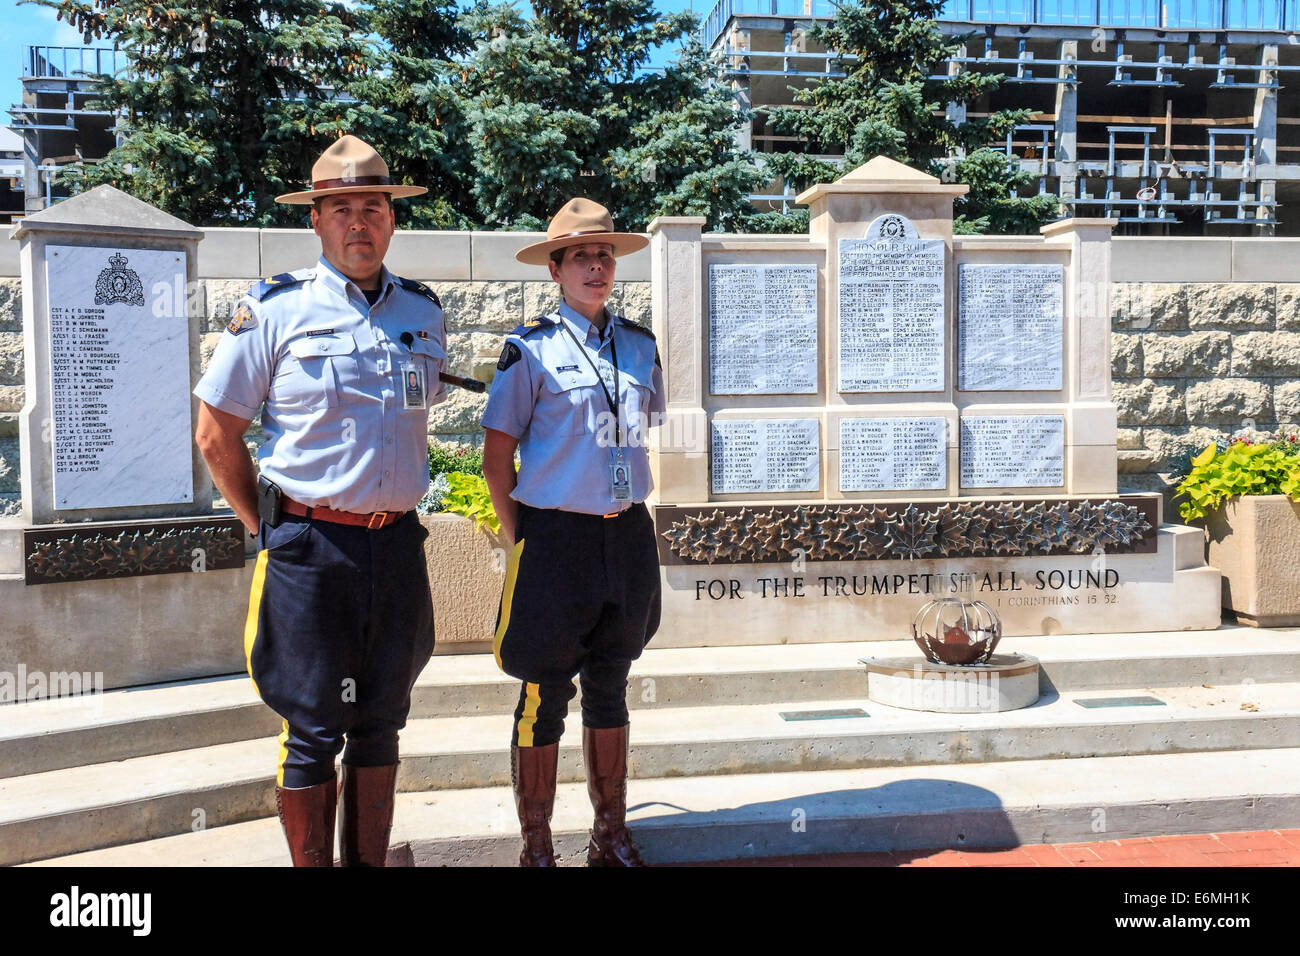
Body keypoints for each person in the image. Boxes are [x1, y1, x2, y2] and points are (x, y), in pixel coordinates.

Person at [193, 135, 447, 867]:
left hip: (396, 546)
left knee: (381, 724)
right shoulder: (274, 309)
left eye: (373, 206)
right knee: (311, 728)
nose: (359, 223)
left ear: (393, 219)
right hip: (311, 549)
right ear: (316, 222)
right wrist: (270, 531)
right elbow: (217, 434)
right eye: (341, 209)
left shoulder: (424, 313)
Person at [481, 197, 665, 867]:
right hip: (554, 542)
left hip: (625, 538)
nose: (597, 266)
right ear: (555, 269)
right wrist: (520, 536)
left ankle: (609, 837)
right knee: (544, 690)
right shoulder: (528, 350)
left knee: (611, 684)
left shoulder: (641, 347)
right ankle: (537, 848)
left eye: (606, 255)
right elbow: (496, 457)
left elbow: (647, 433)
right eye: (582, 256)